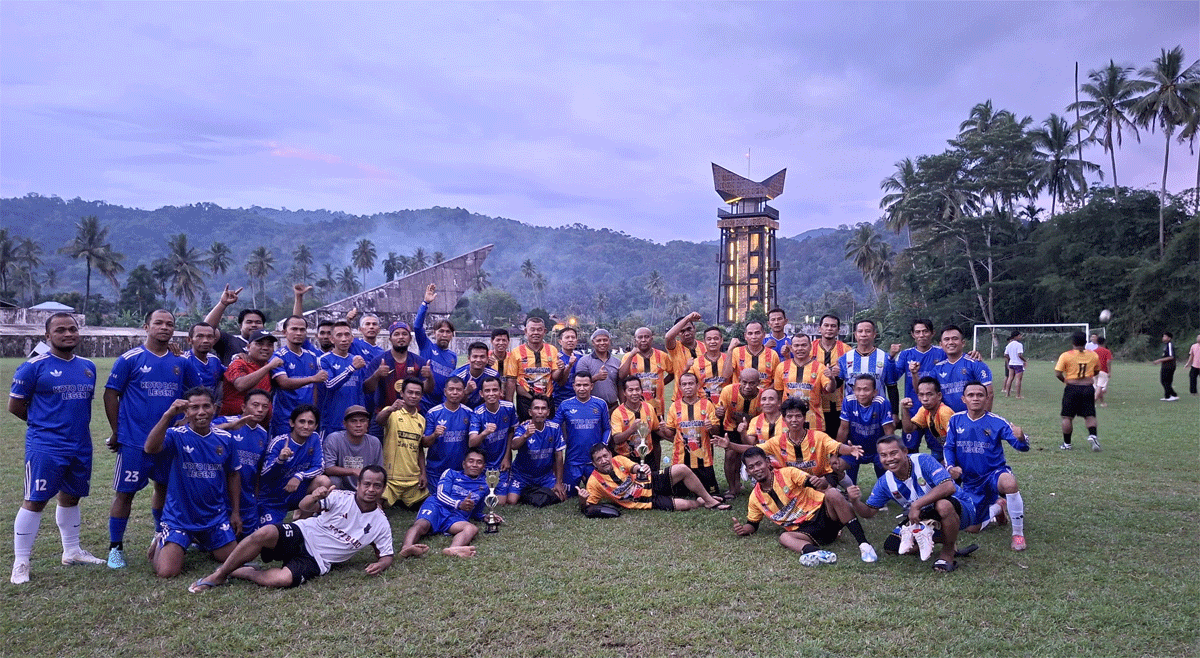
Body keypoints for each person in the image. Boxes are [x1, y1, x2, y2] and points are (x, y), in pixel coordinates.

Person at [9, 313, 106, 584]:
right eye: (60, 330)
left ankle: (72, 551)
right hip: (46, 445)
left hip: (80, 444)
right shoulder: (33, 367)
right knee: (35, 499)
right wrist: (43, 425)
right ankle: (21, 561)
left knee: (71, 496)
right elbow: (15, 406)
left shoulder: (88, 366)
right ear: (47, 336)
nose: (68, 334)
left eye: (72, 329)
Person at [188, 465, 393, 591]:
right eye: (367, 484)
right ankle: (220, 574)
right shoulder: (340, 497)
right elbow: (304, 506)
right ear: (358, 484)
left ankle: (243, 572)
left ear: (383, 488)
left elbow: (386, 555)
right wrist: (314, 497)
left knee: (281, 580)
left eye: (377, 486)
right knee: (265, 532)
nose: (371, 489)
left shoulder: (381, 523)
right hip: (303, 533)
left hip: (317, 560)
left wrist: (382, 565)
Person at [103, 309, 201, 569]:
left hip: (169, 441)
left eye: (170, 324)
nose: (165, 328)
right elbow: (110, 395)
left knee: (164, 488)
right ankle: (116, 547)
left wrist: (186, 419)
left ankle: (161, 536)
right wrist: (117, 431)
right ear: (146, 326)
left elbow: (197, 394)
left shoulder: (182, 362)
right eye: (159, 323)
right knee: (125, 494)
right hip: (135, 440)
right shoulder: (130, 359)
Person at [144, 387, 240, 578]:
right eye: (194, 407)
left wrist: (235, 512)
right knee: (167, 572)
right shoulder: (176, 435)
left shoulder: (226, 439)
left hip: (214, 517)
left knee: (232, 559)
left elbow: (233, 475)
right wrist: (168, 415)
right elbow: (150, 447)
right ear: (186, 412)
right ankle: (162, 539)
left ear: (215, 408)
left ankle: (201, 540)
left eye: (206, 406)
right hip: (180, 517)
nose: (201, 412)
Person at [847, 436, 981, 571]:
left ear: (905, 452)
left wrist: (916, 505)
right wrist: (855, 501)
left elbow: (948, 487)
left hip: (962, 509)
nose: (889, 459)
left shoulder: (923, 460)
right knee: (892, 547)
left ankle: (947, 554)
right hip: (926, 516)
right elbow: (868, 512)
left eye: (893, 453)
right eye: (883, 455)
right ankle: (941, 537)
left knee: (943, 505)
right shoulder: (885, 481)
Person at [733, 446, 876, 565]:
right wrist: (743, 529)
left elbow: (816, 483)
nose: (756, 469)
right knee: (784, 537)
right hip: (805, 532)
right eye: (751, 467)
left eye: (759, 464)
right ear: (748, 471)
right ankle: (816, 553)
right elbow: (752, 524)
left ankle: (864, 545)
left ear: (768, 462)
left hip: (823, 515)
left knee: (833, 493)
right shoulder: (755, 497)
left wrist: (821, 482)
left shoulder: (788, 473)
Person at [944, 382, 1030, 551]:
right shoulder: (955, 420)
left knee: (1010, 483)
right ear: (963, 399)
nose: (975, 398)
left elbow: (1022, 447)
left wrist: (1021, 438)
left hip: (994, 474)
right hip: (970, 481)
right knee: (971, 529)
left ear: (986, 398)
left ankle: (1018, 534)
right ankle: (998, 508)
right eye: (971, 395)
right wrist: (950, 467)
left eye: (980, 395)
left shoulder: (997, 422)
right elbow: (948, 447)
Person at [729, 398, 860, 487]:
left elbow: (837, 447)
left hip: (820, 478)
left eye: (798, 416)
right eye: (790, 417)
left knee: (830, 493)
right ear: (784, 419)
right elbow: (753, 450)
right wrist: (729, 445)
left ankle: (844, 493)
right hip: (793, 482)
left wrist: (850, 450)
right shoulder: (777, 442)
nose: (794, 420)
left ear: (804, 418)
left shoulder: (819, 437)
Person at [581, 444, 730, 513]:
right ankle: (700, 502)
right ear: (594, 463)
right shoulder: (594, 482)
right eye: (599, 459)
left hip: (651, 481)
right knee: (686, 505)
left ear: (610, 455)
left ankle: (710, 500)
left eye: (605, 456)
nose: (604, 460)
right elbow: (587, 506)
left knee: (682, 469)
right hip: (646, 502)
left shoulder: (619, 460)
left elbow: (634, 467)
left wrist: (641, 468)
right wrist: (582, 499)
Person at [399, 449, 491, 559]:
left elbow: (475, 510)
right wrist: (459, 504)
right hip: (437, 506)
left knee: (472, 528)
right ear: (464, 463)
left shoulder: (484, 486)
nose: (474, 465)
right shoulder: (450, 473)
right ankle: (407, 547)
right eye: (471, 461)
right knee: (422, 525)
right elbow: (440, 494)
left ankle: (453, 549)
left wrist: (484, 517)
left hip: (455, 517)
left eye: (479, 462)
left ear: (484, 466)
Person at [258, 405, 332, 525]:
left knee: (323, 481)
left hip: (297, 492)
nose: (306, 426)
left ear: (316, 426)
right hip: (272, 497)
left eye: (310, 423)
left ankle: (301, 524)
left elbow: (319, 467)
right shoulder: (279, 442)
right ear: (292, 423)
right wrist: (280, 460)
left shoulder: (315, 438)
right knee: (270, 534)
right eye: (302, 421)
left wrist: (299, 476)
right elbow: (264, 474)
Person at [213, 389, 271, 540]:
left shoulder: (263, 435)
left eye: (265, 406)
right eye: (255, 405)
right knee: (224, 542)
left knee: (252, 540)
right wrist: (230, 426)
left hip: (246, 498)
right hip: (219, 495)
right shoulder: (225, 421)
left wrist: (256, 498)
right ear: (243, 407)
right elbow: (202, 432)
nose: (260, 410)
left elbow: (258, 471)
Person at [660, 372, 723, 497]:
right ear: (680, 387)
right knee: (678, 495)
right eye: (684, 384)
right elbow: (670, 432)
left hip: (703, 459)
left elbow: (716, 431)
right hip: (681, 459)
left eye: (690, 383)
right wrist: (663, 429)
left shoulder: (707, 404)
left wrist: (711, 427)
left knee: (714, 495)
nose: (687, 387)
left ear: (697, 385)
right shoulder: (674, 406)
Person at [374, 378, 429, 510]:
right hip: (391, 478)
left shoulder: (421, 419)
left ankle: (402, 500)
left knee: (429, 502)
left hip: (412, 479)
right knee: (377, 505)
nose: (413, 396)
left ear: (421, 396)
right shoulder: (392, 411)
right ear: (402, 393)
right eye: (410, 392)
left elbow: (420, 448)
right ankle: (393, 501)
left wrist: (423, 473)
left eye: (417, 393)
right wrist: (390, 409)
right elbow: (379, 421)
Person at [554, 372, 612, 493]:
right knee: (567, 495)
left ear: (591, 386)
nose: (582, 388)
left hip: (594, 462)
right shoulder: (565, 405)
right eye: (578, 385)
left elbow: (607, 428)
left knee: (601, 492)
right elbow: (554, 427)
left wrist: (602, 446)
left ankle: (590, 478)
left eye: (585, 385)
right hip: (573, 460)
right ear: (573, 386)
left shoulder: (600, 404)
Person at [270, 315, 326, 438]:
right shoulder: (278, 356)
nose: (299, 333)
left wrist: (314, 410)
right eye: (294, 329)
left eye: (302, 330)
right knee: (284, 453)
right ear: (285, 332)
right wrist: (312, 378)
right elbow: (283, 383)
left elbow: (314, 387)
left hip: (308, 419)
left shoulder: (311, 356)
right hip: (285, 418)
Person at [506, 396, 568, 506]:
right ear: (530, 412)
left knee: (561, 497)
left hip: (544, 476)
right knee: (511, 501)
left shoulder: (554, 428)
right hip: (522, 475)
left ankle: (531, 492)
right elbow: (513, 445)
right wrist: (525, 436)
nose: (540, 412)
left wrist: (559, 482)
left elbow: (559, 457)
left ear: (548, 412)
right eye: (536, 408)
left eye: (543, 408)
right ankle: (533, 492)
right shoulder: (523, 427)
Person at [836, 374, 895, 484]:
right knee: (835, 467)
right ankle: (849, 491)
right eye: (858, 389)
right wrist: (835, 453)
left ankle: (886, 493)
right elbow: (843, 429)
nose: (861, 394)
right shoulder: (848, 401)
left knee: (892, 470)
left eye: (866, 390)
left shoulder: (882, 403)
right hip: (853, 449)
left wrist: (888, 453)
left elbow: (889, 431)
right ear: (853, 390)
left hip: (877, 450)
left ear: (875, 392)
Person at [468, 376, 519, 502]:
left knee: (501, 502)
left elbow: (511, 431)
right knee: (479, 498)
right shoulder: (477, 413)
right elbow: (471, 442)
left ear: (501, 392)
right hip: (483, 465)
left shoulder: (509, 408)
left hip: (502, 463)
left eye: (495, 390)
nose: (491, 394)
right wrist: (484, 433)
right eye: (487, 391)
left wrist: (507, 457)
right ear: (481, 394)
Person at [364, 320, 431, 415]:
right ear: (390, 339)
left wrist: (429, 377)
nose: (401, 337)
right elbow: (367, 389)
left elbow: (428, 389)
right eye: (396, 334)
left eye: (404, 334)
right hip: (383, 414)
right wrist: (377, 375)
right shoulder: (378, 361)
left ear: (410, 338)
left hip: (411, 414)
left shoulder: (419, 362)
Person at [505, 315, 565, 420]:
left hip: (547, 399)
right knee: (526, 431)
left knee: (547, 431)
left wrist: (561, 369)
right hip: (525, 400)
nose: (536, 333)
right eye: (532, 330)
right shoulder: (516, 352)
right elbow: (511, 380)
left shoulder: (552, 350)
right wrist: (509, 406)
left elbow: (555, 377)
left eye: (539, 330)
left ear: (545, 331)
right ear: (526, 331)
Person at [315, 321, 368, 436]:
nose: (344, 339)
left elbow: (362, 390)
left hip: (355, 423)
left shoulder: (357, 360)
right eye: (339, 335)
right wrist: (351, 368)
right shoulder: (324, 360)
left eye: (347, 335)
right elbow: (329, 385)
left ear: (352, 338)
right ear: (332, 339)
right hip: (332, 422)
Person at [774, 333, 835, 432]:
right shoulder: (781, 367)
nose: (800, 348)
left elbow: (830, 389)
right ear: (791, 347)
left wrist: (832, 379)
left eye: (804, 345)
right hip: (787, 422)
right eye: (796, 345)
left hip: (814, 421)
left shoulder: (820, 367)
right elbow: (778, 393)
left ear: (810, 347)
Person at [715, 369, 762, 497]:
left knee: (756, 455)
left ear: (759, 382)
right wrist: (719, 413)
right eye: (744, 382)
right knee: (730, 455)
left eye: (752, 383)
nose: (747, 386)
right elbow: (719, 412)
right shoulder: (728, 391)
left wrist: (749, 429)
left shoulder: (763, 396)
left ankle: (761, 485)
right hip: (731, 426)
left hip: (753, 429)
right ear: (739, 380)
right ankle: (733, 487)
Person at [1054, 331, 1101, 451]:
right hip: (1088, 388)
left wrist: (1065, 380)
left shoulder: (1066, 355)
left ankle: (1067, 444)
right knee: (1090, 415)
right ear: (1085, 342)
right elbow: (1096, 371)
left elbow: (1058, 373)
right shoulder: (1093, 355)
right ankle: (1093, 436)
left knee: (1067, 417)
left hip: (1072, 388)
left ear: (1073, 342)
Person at [415, 284, 458, 411]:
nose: (444, 335)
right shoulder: (426, 345)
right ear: (434, 333)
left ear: (452, 335)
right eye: (441, 331)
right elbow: (417, 327)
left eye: (448, 332)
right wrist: (425, 303)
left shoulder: (453, 357)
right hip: (422, 402)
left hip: (441, 406)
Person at [423, 377, 473, 486]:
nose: (455, 392)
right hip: (436, 472)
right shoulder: (433, 413)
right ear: (445, 392)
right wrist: (434, 434)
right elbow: (425, 443)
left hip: (460, 471)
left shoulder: (469, 413)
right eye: (451, 389)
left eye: (458, 390)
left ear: (463, 392)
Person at [220, 329, 281, 417]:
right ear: (248, 347)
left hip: (259, 425)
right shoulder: (239, 363)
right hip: (234, 423)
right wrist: (268, 367)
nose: (265, 348)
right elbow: (241, 385)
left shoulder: (270, 365)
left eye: (270, 345)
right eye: (259, 344)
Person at [931, 325, 993, 412]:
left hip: (971, 419)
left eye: (955, 338)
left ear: (963, 343)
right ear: (941, 345)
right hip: (946, 420)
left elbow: (989, 393)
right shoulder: (937, 369)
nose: (951, 342)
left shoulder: (976, 364)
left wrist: (982, 419)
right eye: (946, 339)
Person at [322, 406, 382, 491]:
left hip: (365, 488)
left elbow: (378, 470)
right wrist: (353, 471)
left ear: (368, 424)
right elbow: (328, 468)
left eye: (362, 421)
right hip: (341, 488)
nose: (358, 425)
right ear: (344, 424)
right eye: (353, 421)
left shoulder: (374, 442)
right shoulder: (334, 439)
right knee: (333, 480)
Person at [203, 284, 267, 365]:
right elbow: (206, 329)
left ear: (263, 326)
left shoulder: (267, 346)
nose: (254, 325)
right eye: (249, 322)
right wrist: (223, 304)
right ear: (240, 326)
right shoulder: (229, 341)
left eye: (258, 322)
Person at [837, 319, 895, 403]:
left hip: (878, 409)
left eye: (868, 331)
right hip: (852, 410)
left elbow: (891, 386)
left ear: (874, 334)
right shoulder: (845, 358)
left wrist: (894, 413)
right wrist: (832, 377)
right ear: (855, 335)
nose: (863, 334)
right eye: (860, 331)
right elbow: (837, 384)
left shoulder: (884, 357)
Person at [618, 326, 672, 416]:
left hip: (657, 405)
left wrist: (661, 383)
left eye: (646, 337)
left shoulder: (662, 355)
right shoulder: (628, 356)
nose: (643, 340)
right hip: (635, 405)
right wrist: (631, 356)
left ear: (651, 339)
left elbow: (672, 373)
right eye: (640, 337)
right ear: (635, 340)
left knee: (657, 429)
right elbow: (621, 376)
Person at [898, 377, 954, 463]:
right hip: (942, 451)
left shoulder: (944, 412)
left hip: (955, 453)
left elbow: (958, 441)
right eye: (921, 395)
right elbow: (908, 429)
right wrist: (904, 409)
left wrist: (948, 462)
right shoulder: (924, 410)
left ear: (939, 396)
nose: (925, 399)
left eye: (929, 394)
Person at [890, 318, 946, 404]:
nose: (921, 335)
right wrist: (891, 357)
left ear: (932, 333)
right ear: (913, 334)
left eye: (925, 331)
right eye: (917, 332)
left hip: (938, 406)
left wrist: (973, 354)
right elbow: (894, 377)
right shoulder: (905, 354)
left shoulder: (942, 352)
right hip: (913, 405)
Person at [813, 314, 851, 438]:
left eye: (833, 326)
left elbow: (851, 376)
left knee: (835, 442)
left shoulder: (846, 350)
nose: (829, 328)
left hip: (837, 405)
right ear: (820, 328)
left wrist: (838, 375)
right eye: (826, 325)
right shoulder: (810, 348)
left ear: (838, 330)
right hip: (814, 405)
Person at [609, 377, 661, 464]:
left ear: (641, 391)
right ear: (624, 393)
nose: (634, 393)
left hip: (647, 455)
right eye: (630, 390)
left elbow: (656, 429)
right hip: (626, 458)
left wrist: (669, 432)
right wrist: (631, 430)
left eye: (637, 389)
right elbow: (616, 439)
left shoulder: (648, 408)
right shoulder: (617, 413)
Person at [724, 321, 780, 390]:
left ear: (764, 334)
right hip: (740, 396)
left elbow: (777, 381)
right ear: (745, 336)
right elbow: (726, 375)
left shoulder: (773, 354)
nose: (754, 337)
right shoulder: (737, 352)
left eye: (757, 333)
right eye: (750, 333)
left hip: (763, 397)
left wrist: (764, 392)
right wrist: (730, 350)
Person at [574, 328, 621, 408]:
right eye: (598, 340)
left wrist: (623, 406)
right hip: (591, 407)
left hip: (613, 406)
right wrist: (596, 377)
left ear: (609, 341)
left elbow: (620, 386)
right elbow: (579, 384)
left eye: (605, 340)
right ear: (593, 342)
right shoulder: (584, 361)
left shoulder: (617, 362)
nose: (602, 343)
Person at [183, 322, 225, 410]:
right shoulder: (183, 360)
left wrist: (239, 358)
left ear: (214, 340)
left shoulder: (215, 360)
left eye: (209, 337)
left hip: (209, 411)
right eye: (200, 336)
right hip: (188, 411)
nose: (205, 340)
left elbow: (231, 375)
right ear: (190, 340)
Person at [664, 312, 703, 397]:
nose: (687, 333)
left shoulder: (704, 347)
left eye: (689, 329)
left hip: (703, 396)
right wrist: (688, 318)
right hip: (681, 396)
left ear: (694, 328)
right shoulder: (675, 347)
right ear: (677, 333)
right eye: (682, 331)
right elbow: (668, 337)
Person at [690, 325, 730, 405]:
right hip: (703, 406)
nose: (712, 342)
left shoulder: (729, 360)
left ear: (721, 340)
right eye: (709, 339)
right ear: (704, 342)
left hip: (727, 404)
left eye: (716, 338)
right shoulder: (695, 363)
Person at [452, 342, 499, 409]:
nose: (478, 360)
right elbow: (452, 404)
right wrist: (466, 392)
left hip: (483, 412)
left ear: (487, 359)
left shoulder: (493, 375)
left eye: (482, 357)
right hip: (462, 411)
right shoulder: (457, 376)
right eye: (475, 356)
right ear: (469, 358)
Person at [551, 327, 581, 411]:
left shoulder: (581, 357)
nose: (570, 340)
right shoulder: (556, 358)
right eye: (567, 337)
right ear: (560, 341)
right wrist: (569, 366)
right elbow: (560, 383)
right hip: (560, 402)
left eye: (573, 337)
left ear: (576, 341)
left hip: (578, 401)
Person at [1154, 332, 1178, 401]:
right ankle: (1169, 395)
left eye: (1165, 336)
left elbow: (1171, 357)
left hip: (1169, 366)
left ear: (1169, 338)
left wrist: (1159, 360)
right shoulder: (1165, 345)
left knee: (1164, 381)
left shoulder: (1169, 344)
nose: (1163, 338)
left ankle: (1172, 396)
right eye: (1163, 336)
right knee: (1167, 381)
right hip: (1166, 365)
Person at [1002, 330, 1025, 399]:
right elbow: (1019, 355)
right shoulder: (1019, 345)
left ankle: (1007, 394)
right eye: (1019, 335)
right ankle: (1018, 395)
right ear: (1016, 336)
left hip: (1011, 363)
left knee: (1010, 378)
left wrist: (1010, 359)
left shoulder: (1009, 344)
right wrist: (1025, 360)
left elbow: (1005, 354)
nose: (1020, 337)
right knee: (1018, 379)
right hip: (1018, 364)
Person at [1093, 336, 1113, 407]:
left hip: (1094, 371)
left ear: (1097, 342)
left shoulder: (1094, 351)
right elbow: (1108, 362)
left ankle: (1102, 403)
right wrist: (1109, 371)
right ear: (1104, 342)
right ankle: (1092, 402)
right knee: (1099, 388)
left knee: (1098, 388)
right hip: (1103, 371)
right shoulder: (1107, 351)